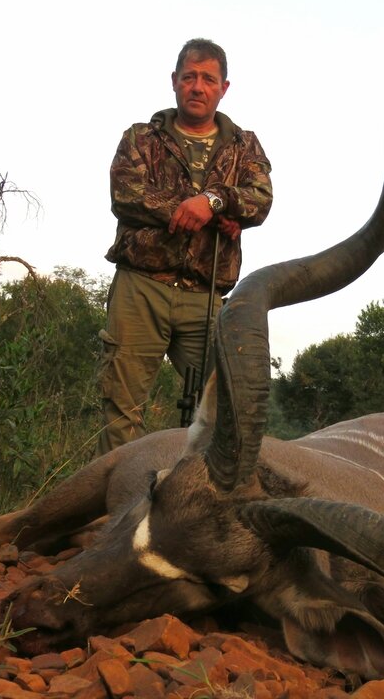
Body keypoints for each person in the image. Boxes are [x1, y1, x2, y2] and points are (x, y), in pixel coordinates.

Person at [97, 38, 272, 455]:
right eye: (189, 77)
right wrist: (207, 210)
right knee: (121, 413)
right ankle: (113, 513)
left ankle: (200, 507)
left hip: (206, 293)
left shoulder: (244, 145)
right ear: (174, 82)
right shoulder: (142, 137)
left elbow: (260, 200)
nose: (198, 86)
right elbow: (127, 194)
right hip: (140, 288)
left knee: (224, 408)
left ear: (223, 88)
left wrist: (213, 202)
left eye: (208, 79)